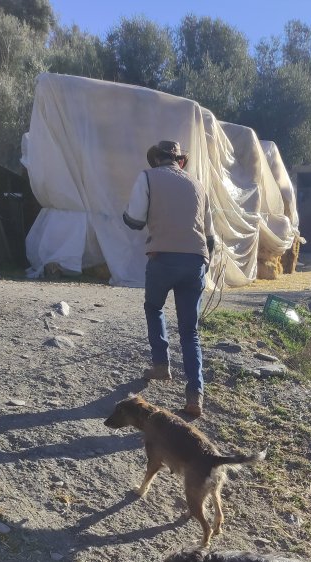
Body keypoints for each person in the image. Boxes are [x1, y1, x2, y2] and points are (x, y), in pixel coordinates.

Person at [123, 140, 215, 418]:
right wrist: (203, 265)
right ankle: (195, 394)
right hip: (195, 260)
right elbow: (210, 236)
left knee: (154, 307)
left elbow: (135, 220)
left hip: (162, 258)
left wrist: (129, 215)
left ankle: (161, 364)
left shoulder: (147, 177)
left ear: (156, 160)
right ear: (181, 161)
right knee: (190, 331)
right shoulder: (198, 185)